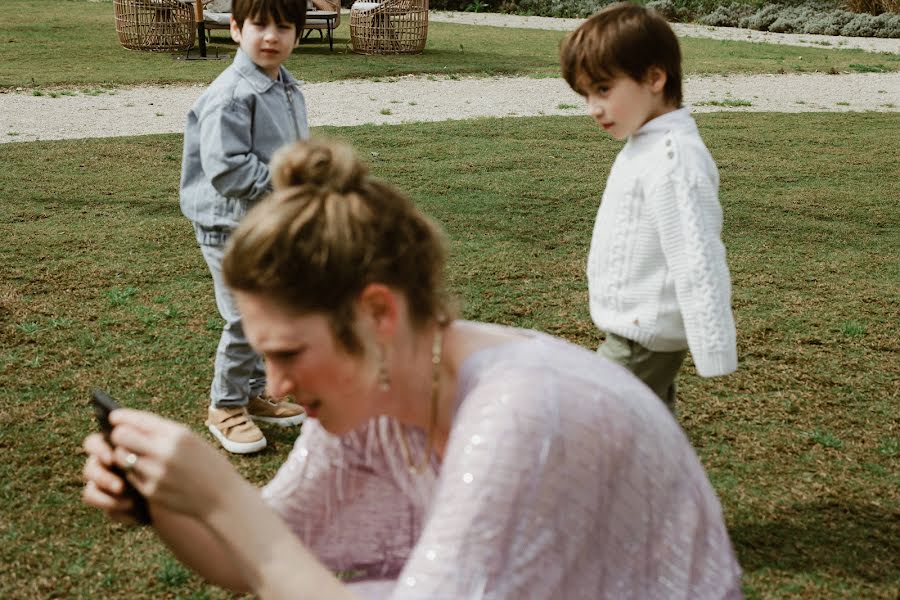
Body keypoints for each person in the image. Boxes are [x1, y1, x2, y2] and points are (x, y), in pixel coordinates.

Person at [83, 139, 742, 599]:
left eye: (287, 354)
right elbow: (263, 555)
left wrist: (224, 496)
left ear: (377, 314)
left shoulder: (522, 411)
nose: (275, 387)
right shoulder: (370, 398)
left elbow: (263, 550)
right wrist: (162, 502)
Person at [560, 2, 738, 411]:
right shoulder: (648, 143)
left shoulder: (674, 159)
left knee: (594, 424)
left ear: (654, 77)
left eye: (603, 89)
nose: (592, 107)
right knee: (649, 433)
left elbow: (698, 258)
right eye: (586, 94)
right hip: (635, 334)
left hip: (641, 342)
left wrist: (714, 350)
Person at [179, 0, 309, 453]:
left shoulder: (286, 86)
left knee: (267, 309)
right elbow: (227, 170)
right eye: (259, 24)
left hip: (261, 223)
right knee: (246, 315)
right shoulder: (233, 93)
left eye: (284, 26)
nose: (271, 35)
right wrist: (289, 183)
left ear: (299, 34)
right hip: (226, 225)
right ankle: (225, 406)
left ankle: (253, 393)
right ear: (235, 29)